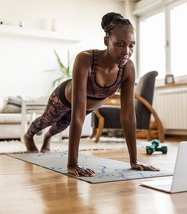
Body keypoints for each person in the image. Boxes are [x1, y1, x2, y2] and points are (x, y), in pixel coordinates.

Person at [22, 12, 159, 177]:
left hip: (88, 105)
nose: (126, 52)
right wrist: (73, 164)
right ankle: (29, 136)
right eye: (120, 44)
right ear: (106, 41)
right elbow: (78, 115)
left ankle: (47, 138)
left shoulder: (128, 68)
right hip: (64, 98)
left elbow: (128, 116)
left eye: (131, 45)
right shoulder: (85, 59)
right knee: (47, 120)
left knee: (61, 126)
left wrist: (134, 161)